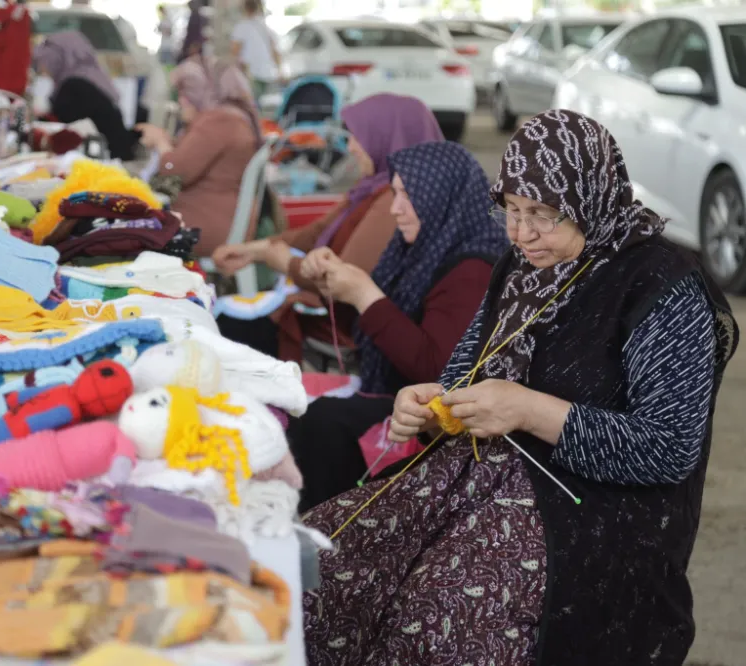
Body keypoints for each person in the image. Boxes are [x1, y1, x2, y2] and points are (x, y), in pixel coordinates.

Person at [301, 110, 739, 666]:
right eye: (510, 210)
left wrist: (529, 410)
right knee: (324, 566)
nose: (520, 233)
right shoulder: (520, 266)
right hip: (475, 478)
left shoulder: (661, 286)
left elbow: (667, 449)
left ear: (591, 198)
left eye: (542, 215)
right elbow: (467, 373)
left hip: (592, 514)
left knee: (436, 620)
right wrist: (433, 403)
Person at [284, 141, 508, 511]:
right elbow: (381, 325)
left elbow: (437, 370)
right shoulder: (424, 245)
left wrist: (363, 295)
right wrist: (334, 280)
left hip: (432, 422)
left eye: (408, 196)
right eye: (395, 194)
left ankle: (323, 535)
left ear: (440, 197)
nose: (395, 209)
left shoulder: (472, 269)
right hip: (400, 398)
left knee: (322, 422)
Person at [212, 93, 445, 362]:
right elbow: (315, 233)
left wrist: (283, 262)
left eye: (359, 137)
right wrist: (255, 250)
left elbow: (344, 279)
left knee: (225, 332)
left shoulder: (393, 200)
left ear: (388, 138)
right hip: (332, 310)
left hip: (348, 327)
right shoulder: (369, 188)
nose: (352, 148)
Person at [136, 57, 261, 256]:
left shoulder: (218, 121)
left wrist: (161, 143)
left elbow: (174, 172)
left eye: (186, 92)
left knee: (124, 229)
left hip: (204, 225)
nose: (181, 100)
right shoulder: (236, 117)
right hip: (223, 219)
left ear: (205, 88)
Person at [31, 32, 139, 161]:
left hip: (106, 160)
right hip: (113, 154)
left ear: (58, 60)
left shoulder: (74, 86)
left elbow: (63, 128)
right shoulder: (90, 76)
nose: (43, 70)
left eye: (44, 64)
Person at [230, 0, 282, 99]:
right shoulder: (267, 27)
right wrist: (280, 70)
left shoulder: (242, 27)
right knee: (266, 105)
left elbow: (235, 51)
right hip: (269, 74)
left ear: (245, 8)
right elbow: (275, 51)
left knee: (252, 105)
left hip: (251, 74)